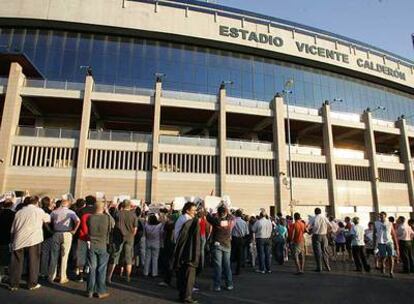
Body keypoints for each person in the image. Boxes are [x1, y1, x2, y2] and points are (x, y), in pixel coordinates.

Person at [9, 196, 51, 291]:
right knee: (33, 262)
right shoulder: (39, 211)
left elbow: (13, 229)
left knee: (16, 263)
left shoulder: (19, 212)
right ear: (37, 202)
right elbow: (48, 219)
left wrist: (12, 241)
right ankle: (32, 283)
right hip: (33, 240)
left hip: (19, 239)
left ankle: (13, 284)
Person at [86, 200, 114, 299]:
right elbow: (113, 226)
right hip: (103, 245)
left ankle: (90, 290)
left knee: (92, 268)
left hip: (92, 245)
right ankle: (101, 291)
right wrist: (107, 212)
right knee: (101, 269)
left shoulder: (90, 218)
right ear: (103, 208)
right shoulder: (107, 218)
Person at [173, 202, 200, 304]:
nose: (195, 212)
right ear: (187, 210)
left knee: (182, 274)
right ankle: (187, 297)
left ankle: (182, 295)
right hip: (187, 251)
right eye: (193, 210)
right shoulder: (187, 220)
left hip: (181, 250)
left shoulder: (182, 218)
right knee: (189, 274)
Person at [48, 199, 80, 284]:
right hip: (67, 233)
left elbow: (48, 220)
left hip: (56, 233)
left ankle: (51, 276)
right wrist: (74, 230)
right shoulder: (71, 212)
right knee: (64, 256)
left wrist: (50, 230)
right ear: (68, 205)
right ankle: (63, 277)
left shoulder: (54, 212)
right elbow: (78, 221)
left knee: (54, 255)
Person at [107, 199, 138, 283]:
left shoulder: (118, 214)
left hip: (118, 237)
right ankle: (128, 277)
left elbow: (113, 222)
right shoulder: (134, 215)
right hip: (129, 238)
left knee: (114, 257)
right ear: (130, 206)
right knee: (128, 258)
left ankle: (109, 277)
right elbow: (135, 229)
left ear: (122, 205)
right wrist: (131, 235)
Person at [207, 204, 234, 291]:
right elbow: (230, 215)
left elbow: (208, 217)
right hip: (227, 244)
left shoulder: (216, 221)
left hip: (217, 244)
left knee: (218, 266)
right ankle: (229, 284)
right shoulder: (230, 220)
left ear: (218, 213)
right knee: (227, 265)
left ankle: (217, 285)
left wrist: (207, 209)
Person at [374, 211, 399, 278]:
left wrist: (397, 246)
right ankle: (382, 265)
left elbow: (393, 235)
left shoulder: (390, 224)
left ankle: (391, 272)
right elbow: (374, 234)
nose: (381, 217)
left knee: (391, 257)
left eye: (382, 215)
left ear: (385, 216)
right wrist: (375, 244)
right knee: (383, 257)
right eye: (380, 215)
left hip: (389, 242)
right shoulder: (376, 223)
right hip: (381, 243)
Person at [76, 196, 95, 282]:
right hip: (92, 237)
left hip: (82, 236)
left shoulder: (80, 211)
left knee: (81, 255)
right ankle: (89, 273)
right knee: (91, 256)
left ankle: (80, 274)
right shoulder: (96, 211)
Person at [309, 208, 332, 272]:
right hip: (324, 235)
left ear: (315, 212)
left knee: (317, 252)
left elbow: (310, 226)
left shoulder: (314, 218)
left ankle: (319, 267)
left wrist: (311, 231)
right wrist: (327, 232)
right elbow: (330, 226)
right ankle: (328, 266)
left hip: (316, 235)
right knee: (325, 251)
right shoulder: (324, 217)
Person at [252, 209, 273, 274]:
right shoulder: (269, 222)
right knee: (267, 254)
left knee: (261, 254)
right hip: (268, 238)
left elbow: (253, 230)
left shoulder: (258, 222)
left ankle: (262, 269)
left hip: (260, 238)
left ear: (260, 215)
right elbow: (271, 229)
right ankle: (268, 269)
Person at [0, 199, 15, 283]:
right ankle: (3, 275)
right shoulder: (13, 214)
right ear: (11, 205)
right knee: (5, 259)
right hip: (7, 238)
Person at [39, 196, 54, 278]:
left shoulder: (39, 211)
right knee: (46, 254)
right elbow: (49, 225)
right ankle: (44, 271)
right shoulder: (50, 212)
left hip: (39, 234)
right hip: (47, 235)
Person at [231, 209, 249, 275]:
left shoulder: (233, 221)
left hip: (234, 238)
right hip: (241, 239)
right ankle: (238, 270)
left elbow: (230, 230)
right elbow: (247, 232)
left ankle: (229, 269)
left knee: (232, 254)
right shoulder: (244, 222)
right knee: (240, 255)